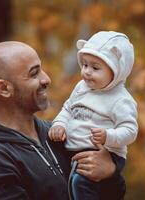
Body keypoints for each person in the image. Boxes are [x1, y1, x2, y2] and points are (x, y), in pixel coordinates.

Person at [0, 41, 126, 200]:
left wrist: (110, 173)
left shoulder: (59, 134)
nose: (46, 79)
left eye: (41, 69)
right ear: (4, 88)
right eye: (34, 73)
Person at [48, 31, 138, 200]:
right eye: (84, 65)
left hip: (106, 153)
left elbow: (130, 130)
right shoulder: (81, 87)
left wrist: (108, 136)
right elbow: (68, 108)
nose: (87, 72)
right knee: (68, 180)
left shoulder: (121, 100)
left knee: (80, 182)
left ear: (116, 71)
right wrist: (59, 124)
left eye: (95, 68)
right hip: (75, 148)